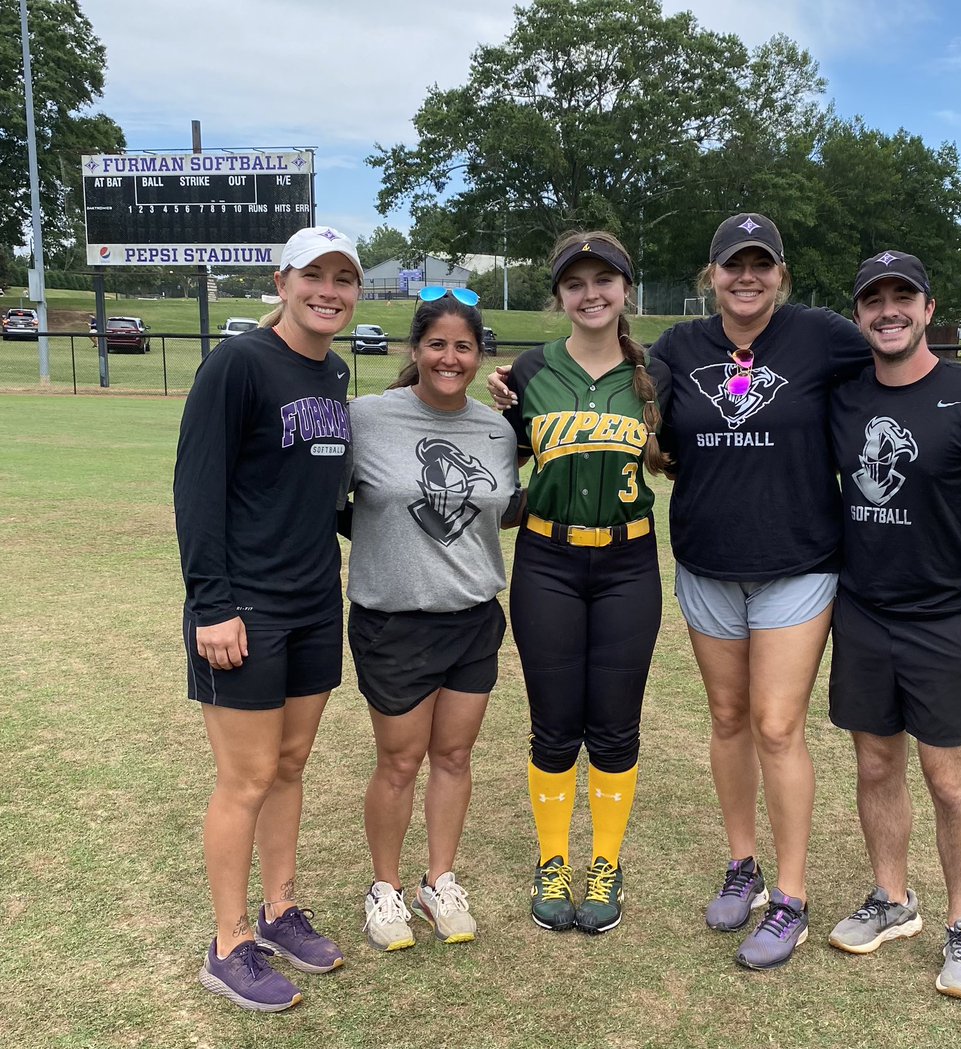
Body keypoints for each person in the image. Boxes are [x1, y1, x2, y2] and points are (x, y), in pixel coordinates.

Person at [490, 215, 961, 970]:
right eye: (732, 265)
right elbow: (627, 405)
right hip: (707, 561)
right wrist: (507, 389)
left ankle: (790, 896)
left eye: (761, 265)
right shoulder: (677, 349)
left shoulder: (820, 335)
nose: (746, 277)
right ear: (711, 276)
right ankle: (741, 865)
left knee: (777, 725)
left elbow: (903, 352)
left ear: (781, 274)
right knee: (727, 717)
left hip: (798, 563)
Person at [825, 250, 961, 1002]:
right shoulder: (843, 395)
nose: (889, 310)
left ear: (929, 309)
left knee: (950, 779)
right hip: (863, 613)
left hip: (947, 619)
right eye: (873, 299)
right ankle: (892, 898)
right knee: (877, 766)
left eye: (902, 296)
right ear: (858, 316)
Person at [174, 226, 362, 1012]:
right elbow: (197, 487)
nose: (329, 290)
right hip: (245, 605)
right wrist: (211, 604)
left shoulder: (336, 372)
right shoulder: (239, 363)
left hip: (316, 599)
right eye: (313, 275)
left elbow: (323, 492)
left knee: (290, 765)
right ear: (282, 282)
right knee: (246, 776)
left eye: (343, 278)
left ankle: (279, 909)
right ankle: (227, 945)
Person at [503, 231, 671, 934]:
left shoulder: (657, 374)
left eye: (605, 279)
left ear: (626, 289)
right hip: (547, 560)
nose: (591, 293)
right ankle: (552, 861)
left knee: (615, 723)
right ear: (559, 295)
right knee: (552, 725)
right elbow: (496, 459)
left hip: (629, 563)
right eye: (575, 282)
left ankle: (604, 863)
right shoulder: (528, 371)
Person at [345, 288, 520, 952]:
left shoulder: (496, 431)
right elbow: (327, 500)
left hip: (473, 617)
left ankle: (438, 880)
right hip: (393, 620)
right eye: (437, 344)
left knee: (453, 755)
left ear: (479, 355)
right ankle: (384, 888)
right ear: (415, 349)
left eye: (463, 346)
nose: (450, 358)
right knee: (399, 761)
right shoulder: (366, 417)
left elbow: (502, 508)